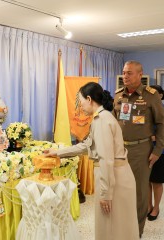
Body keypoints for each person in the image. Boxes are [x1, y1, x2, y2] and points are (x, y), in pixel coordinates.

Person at [45, 82, 139, 240]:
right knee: (118, 227)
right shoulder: (102, 117)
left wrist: (106, 193)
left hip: (113, 179)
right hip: (116, 176)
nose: (80, 106)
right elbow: (86, 145)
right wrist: (57, 153)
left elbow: (106, 160)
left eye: (81, 102)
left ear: (89, 99)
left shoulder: (101, 120)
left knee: (112, 229)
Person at [113, 60, 164, 237]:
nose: (125, 76)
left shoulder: (151, 96)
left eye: (129, 73)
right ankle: (122, 225)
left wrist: (157, 151)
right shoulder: (119, 95)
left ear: (139, 75)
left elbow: (161, 123)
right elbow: (113, 124)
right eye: (124, 72)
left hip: (142, 150)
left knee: (140, 193)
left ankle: (136, 231)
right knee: (120, 190)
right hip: (120, 150)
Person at [147, 85, 164, 221]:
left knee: (156, 181)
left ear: (161, 95)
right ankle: (148, 206)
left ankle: (156, 207)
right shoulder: (144, 109)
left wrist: (153, 137)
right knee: (146, 181)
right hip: (144, 150)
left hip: (159, 151)